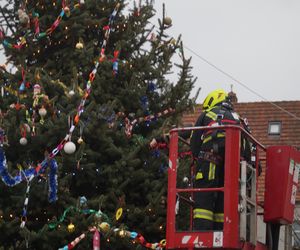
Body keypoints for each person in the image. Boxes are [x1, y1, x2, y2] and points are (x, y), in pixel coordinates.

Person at [190, 89, 249, 231]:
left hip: (210, 158)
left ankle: (202, 233)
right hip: (233, 164)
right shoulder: (239, 119)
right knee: (225, 194)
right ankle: (221, 231)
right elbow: (247, 148)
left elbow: (195, 141)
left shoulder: (207, 114)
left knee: (204, 192)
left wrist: (198, 158)